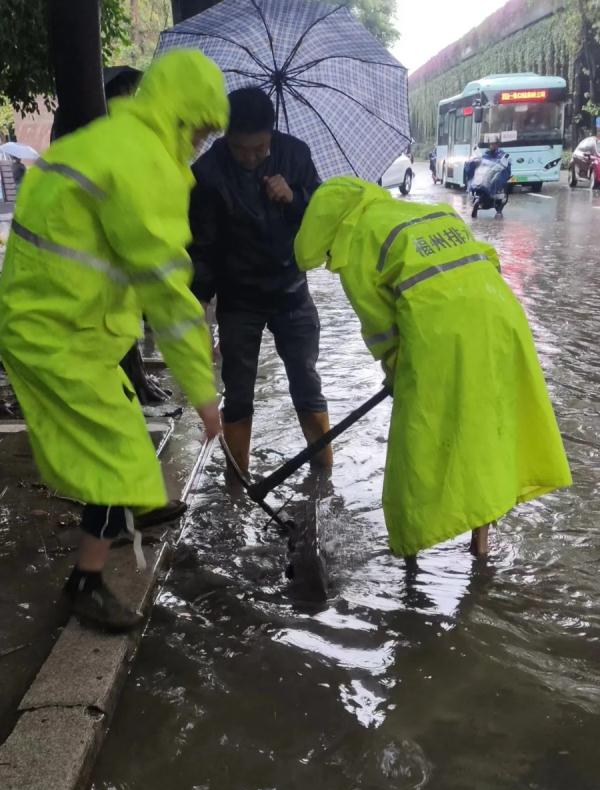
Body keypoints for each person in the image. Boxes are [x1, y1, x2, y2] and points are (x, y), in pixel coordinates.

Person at [0, 51, 229, 631]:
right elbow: (168, 293)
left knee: (123, 429)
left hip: (58, 322)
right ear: (180, 114)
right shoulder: (145, 164)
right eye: (200, 131)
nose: (200, 145)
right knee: (117, 459)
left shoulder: (108, 139)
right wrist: (205, 394)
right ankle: (87, 583)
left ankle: (134, 507)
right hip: (61, 334)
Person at [294, 177, 572, 559]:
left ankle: (411, 550)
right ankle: (481, 544)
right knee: (487, 428)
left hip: (442, 338)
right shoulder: (423, 213)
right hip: (502, 318)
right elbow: (488, 259)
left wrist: (397, 374)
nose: (329, 260)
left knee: (416, 446)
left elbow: (382, 330)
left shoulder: (357, 245)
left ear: (328, 230)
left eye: (326, 254)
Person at [189, 86, 331, 476]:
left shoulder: (295, 154)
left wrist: (295, 197)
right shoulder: (208, 174)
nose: (251, 157)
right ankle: (238, 480)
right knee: (237, 392)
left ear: (272, 131)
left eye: (260, 149)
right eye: (241, 149)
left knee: (307, 381)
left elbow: (323, 212)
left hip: (292, 291)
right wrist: (198, 305)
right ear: (225, 137)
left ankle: (323, 474)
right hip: (239, 300)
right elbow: (202, 249)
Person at [465, 136, 511, 217]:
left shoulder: (501, 154)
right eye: (491, 144)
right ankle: (474, 193)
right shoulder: (486, 154)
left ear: (497, 144)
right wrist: (474, 161)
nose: (492, 146)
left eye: (494, 144)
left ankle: (499, 209)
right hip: (486, 175)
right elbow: (481, 161)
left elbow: (506, 165)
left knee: (498, 179)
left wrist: (503, 166)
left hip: (496, 176)